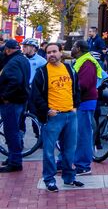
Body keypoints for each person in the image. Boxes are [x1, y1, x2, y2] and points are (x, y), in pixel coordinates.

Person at [29, 42, 82, 191]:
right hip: (53, 117)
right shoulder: (42, 72)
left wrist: (75, 106)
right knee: (49, 150)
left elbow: (77, 89)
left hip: (70, 116)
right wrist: (46, 110)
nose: (51, 54)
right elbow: (35, 95)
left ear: (60, 53)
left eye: (54, 51)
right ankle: (49, 179)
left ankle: (69, 178)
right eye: (48, 52)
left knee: (70, 149)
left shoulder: (69, 69)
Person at [71, 41, 103, 176]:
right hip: (82, 102)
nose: (71, 49)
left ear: (78, 49)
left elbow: (83, 84)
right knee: (79, 134)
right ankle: (77, 162)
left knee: (83, 134)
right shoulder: (82, 61)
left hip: (85, 102)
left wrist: (70, 91)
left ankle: (83, 166)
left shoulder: (87, 63)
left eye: (73, 46)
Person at [0, 39, 31, 172]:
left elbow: (16, 81)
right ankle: (13, 157)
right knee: (14, 130)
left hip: (12, 101)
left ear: (8, 49)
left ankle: (15, 161)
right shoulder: (22, 59)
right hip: (19, 100)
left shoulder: (13, 62)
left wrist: (5, 96)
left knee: (11, 132)